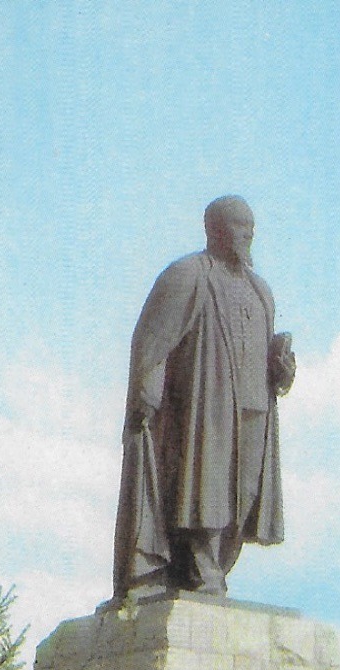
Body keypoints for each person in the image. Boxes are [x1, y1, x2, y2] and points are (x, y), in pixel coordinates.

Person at [112, 195, 298, 600]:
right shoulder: (187, 275)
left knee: (244, 495)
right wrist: (147, 390)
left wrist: (281, 368)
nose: (247, 234)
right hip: (206, 406)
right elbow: (153, 339)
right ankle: (200, 567)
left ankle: (213, 567)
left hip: (254, 409)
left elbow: (265, 354)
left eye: (251, 226)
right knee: (204, 489)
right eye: (238, 225)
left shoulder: (260, 289)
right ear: (214, 229)